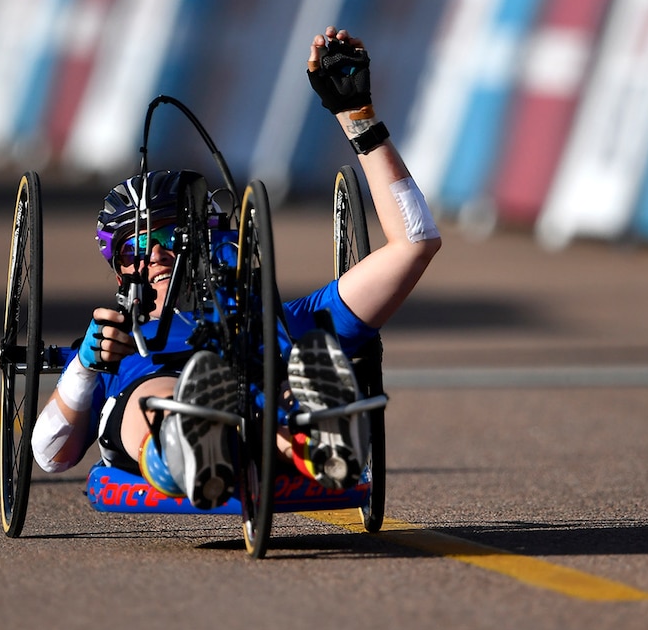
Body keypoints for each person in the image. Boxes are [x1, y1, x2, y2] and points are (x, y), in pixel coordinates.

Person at [29, 26, 441, 509]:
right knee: (157, 393)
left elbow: (415, 243)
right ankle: (187, 444)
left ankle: (316, 438)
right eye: (135, 247)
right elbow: (50, 455)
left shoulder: (287, 321)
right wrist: (84, 367)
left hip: (265, 399)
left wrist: (359, 120)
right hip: (150, 420)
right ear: (119, 272)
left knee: (290, 376)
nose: (157, 254)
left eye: (173, 238)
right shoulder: (112, 341)